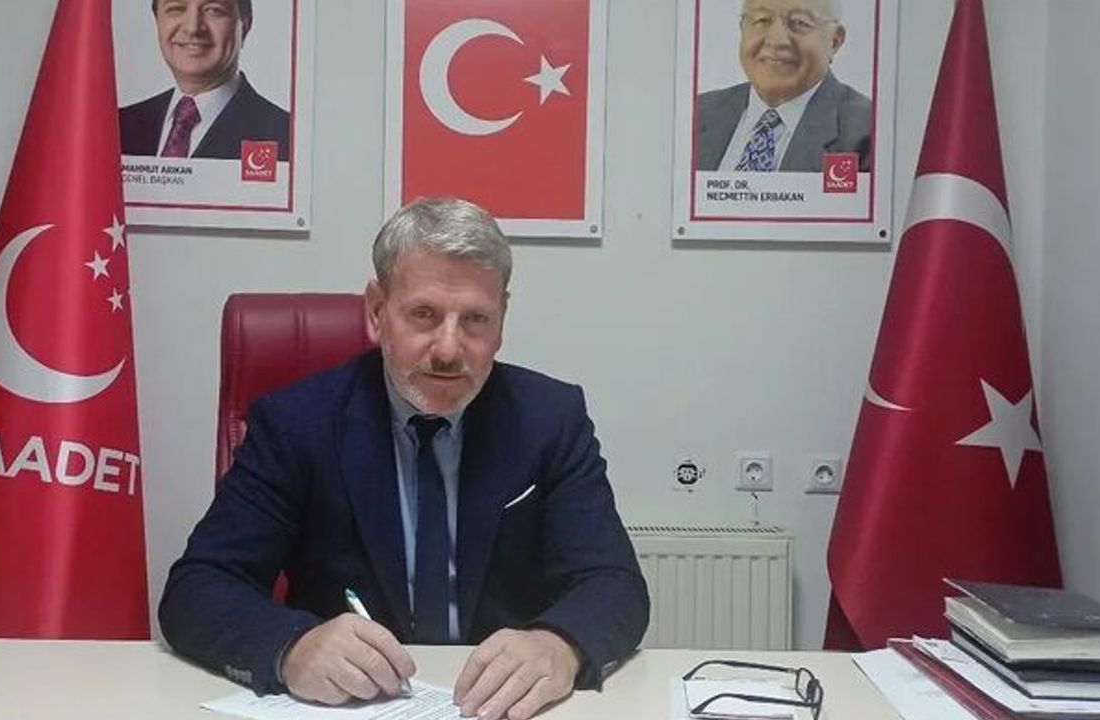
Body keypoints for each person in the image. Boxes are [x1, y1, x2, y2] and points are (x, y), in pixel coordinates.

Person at [159, 197, 648, 720]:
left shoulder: (550, 418)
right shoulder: (298, 424)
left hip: (501, 707)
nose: (448, 349)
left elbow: (614, 583)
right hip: (352, 706)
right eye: (424, 314)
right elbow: (197, 588)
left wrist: (559, 645)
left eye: (475, 319)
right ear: (377, 311)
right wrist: (291, 646)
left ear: (502, 319)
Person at [696, 0, 871, 172]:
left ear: (834, 41)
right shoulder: (696, 113)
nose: (776, 40)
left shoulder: (867, 132)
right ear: (742, 28)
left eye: (799, 22)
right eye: (762, 20)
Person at [119, 0, 291, 161]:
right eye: (176, 9)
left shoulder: (285, 135)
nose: (193, 28)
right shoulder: (119, 125)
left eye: (214, 10)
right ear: (157, 22)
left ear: (244, 27)